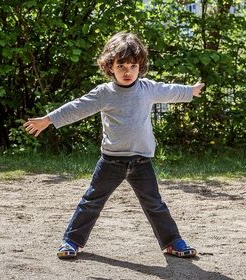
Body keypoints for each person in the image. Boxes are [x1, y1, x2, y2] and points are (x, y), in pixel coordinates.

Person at [23, 31, 204, 259]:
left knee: (155, 204)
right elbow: (76, 107)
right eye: (121, 66)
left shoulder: (148, 88)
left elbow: (170, 90)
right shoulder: (104, 93)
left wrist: (190, 90)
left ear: (140, 66)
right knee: (91, 202)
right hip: (111, 161)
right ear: (110, 67)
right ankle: (71, 241)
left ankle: (172, 242)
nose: (127, 71)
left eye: (133, 66)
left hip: (141, 161)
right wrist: (48, 119)